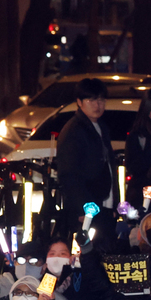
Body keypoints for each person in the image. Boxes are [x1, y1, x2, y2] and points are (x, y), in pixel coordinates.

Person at [55, 77, 115, 214]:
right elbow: (69, 174)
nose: (97, 105)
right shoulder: (74, 130)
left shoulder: (101, 127)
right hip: (89, 208)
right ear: (79, 102)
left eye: (100, 100)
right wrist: (82, 208)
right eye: (91, 100)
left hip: (103, 203)